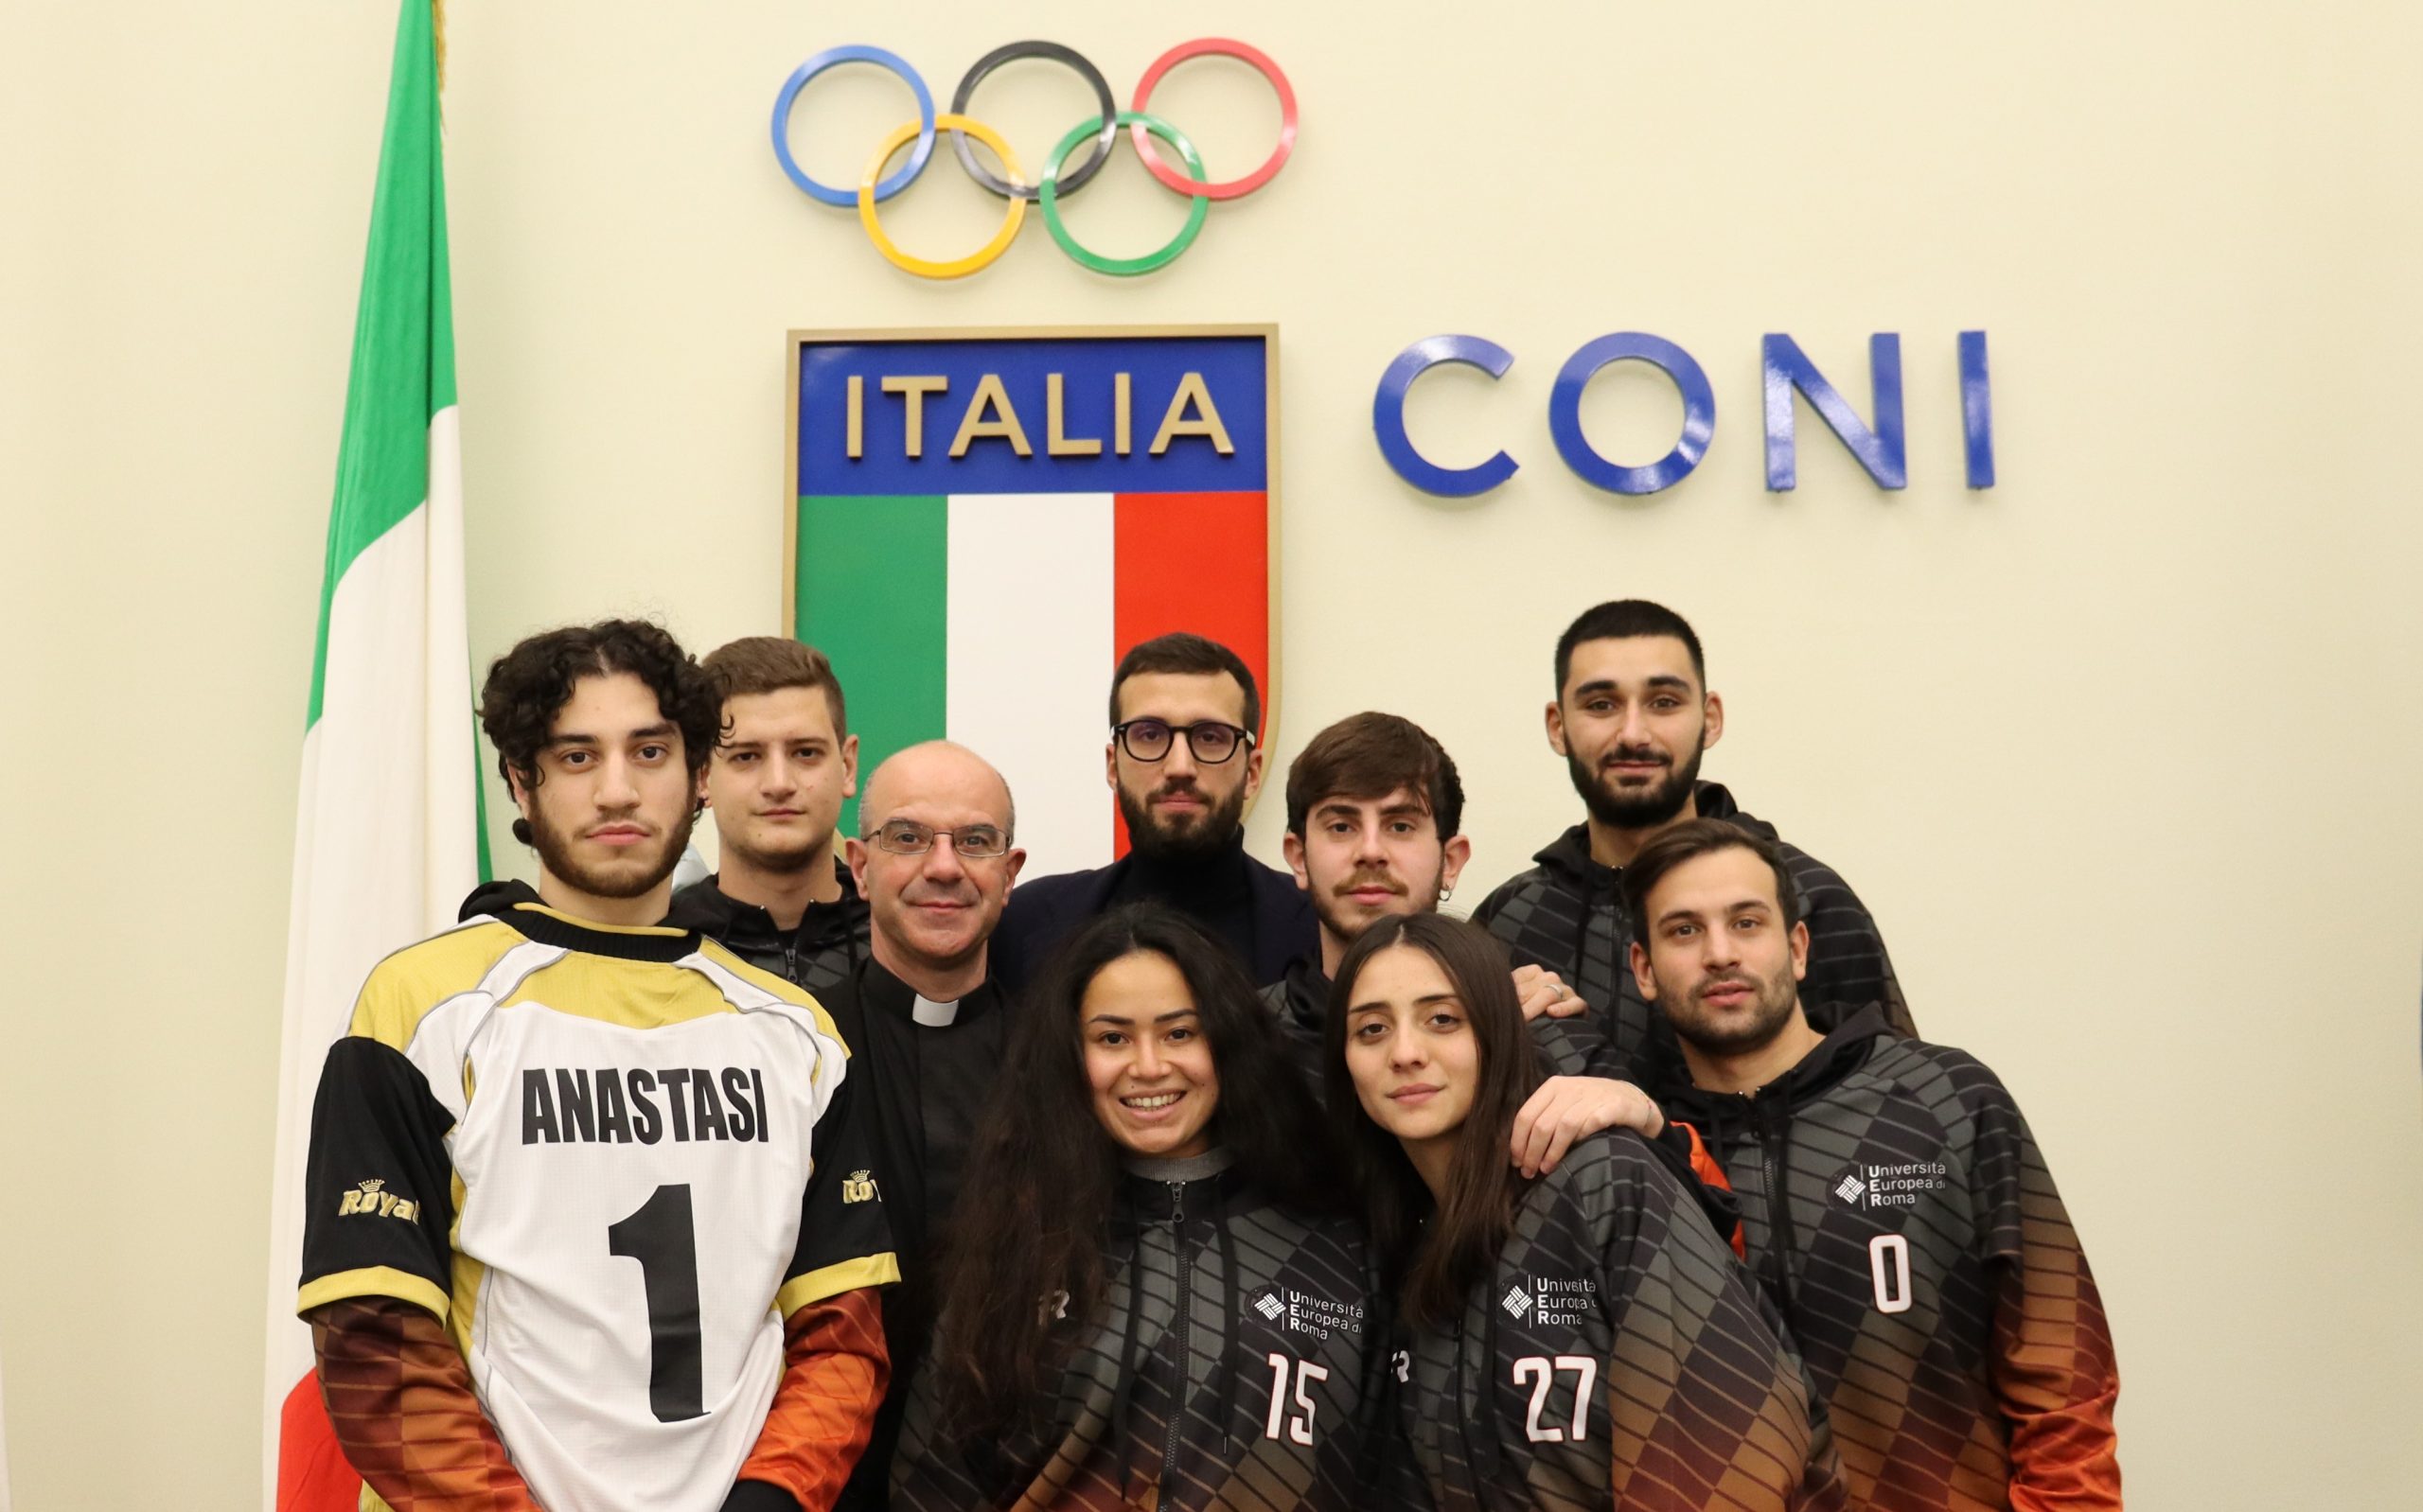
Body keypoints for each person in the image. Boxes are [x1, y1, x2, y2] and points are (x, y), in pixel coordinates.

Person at [295, 619, 896, 1512]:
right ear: (519, 780)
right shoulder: (419, 1007)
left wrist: (769, 1501)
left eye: (649, 751)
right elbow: (375, 1341)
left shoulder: (796, 1034)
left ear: (697, 777)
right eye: (577, 757)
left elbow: (841, 1337)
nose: (618, 790)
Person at [1624, 819, 2120, 1509]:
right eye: (1683, 931)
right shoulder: (1648, 1160)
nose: (1719, 953)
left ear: (1797, 948)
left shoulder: (1947, 1098)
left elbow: (2064, 1372)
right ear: (1643, 969)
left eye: (1746, 922)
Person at [1329, 912, 1846, 1512]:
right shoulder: (1396, 1247)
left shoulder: (1603, 1181)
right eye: (1371, 1030)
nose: (1406, 1053)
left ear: (1498, 1032)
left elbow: (1736, 1456)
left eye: (1443, 1019)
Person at [892, 905, 1394, 1511]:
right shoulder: (1014, 1246)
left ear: (1227, 1040)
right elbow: (932, 1486)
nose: (1149, 1066)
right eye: (1112, 1038)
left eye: (1180, 1033)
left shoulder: (1333, 1235)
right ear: (1072, 1057)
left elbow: (1389, 1470)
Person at [1474, 599, 1912, 1069]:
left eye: (1664, 702)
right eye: (1601, 705)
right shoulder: (1509, 922)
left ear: (1711, 718)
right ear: (1558, 728)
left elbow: (1899, 1101)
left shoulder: (1807, 897)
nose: (1634, 734)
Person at [1270, 711, 1675, 1184]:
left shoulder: (1536, 1025)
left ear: (1451, 861)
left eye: (1400, 825)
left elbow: (1694, 1208)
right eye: (1342, 826)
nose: (1371, 851)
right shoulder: (1246, 1044)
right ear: (1298, 857)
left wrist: (1646, 1115)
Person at [819, 741, 1025, 1511]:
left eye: (975, 841)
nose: (944, 867)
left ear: (1011, 873)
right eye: (907, 838)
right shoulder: (787, 1052)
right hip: (826, 1473)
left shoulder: (1062, 1062)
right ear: (860, 866)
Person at [992, 633, 1316, 991]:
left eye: (1210, 737)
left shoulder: (1319, 928)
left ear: (1251, 773)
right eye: (1149, 735)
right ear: (1113, 766)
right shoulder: (1025, 926)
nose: (1180, 766)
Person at [665, 636, 870, 997]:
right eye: (746, 756)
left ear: (847, 765)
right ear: (701, 776)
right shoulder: (657, 949)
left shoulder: (903, 942)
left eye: (805, 752)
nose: (779, 784)